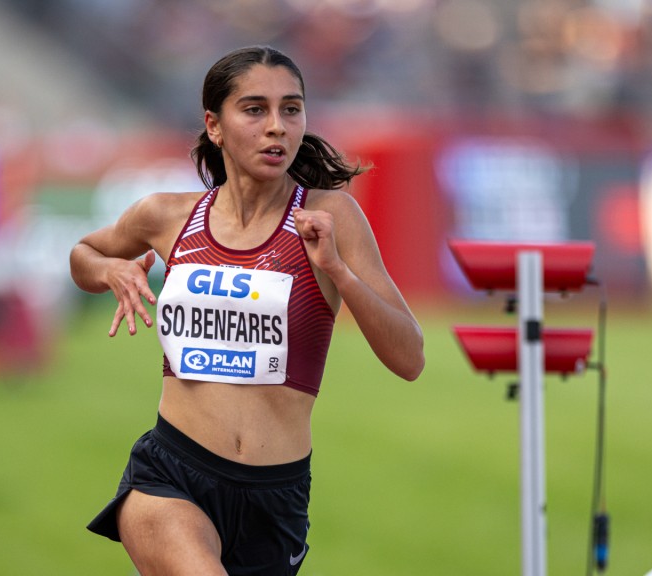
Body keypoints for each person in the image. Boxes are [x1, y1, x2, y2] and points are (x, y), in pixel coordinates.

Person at [70, 45, 424, 575]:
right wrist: (110, 271)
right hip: (171, 475)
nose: (276, 126)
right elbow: (84, 253)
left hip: (275, 496)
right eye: (255, 109)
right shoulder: (167, 216)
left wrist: (338, 271)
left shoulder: (332, 217)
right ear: (215, 125)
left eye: (291, 109)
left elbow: (410, 358)